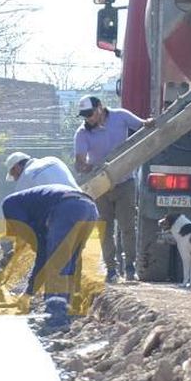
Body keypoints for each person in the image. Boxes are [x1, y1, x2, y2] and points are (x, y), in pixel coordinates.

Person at [0, 183, 101, 332]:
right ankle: (69, 308)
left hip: (67, 208)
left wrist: (27, 293)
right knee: (71, 260)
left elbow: (43, 256)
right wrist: (30, 290)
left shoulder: (10, 204)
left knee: (57, 264)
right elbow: (42, 253)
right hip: (89, 208)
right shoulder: (31, 206)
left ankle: (56, 317)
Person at [73, 94, 151, 283]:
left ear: (100, 107)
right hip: (100, 186)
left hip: (125, 181)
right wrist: (85, 166)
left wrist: (149, 122)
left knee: (127, 227)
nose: (88, 118)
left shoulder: (121, 116)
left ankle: (130, 267)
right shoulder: (82, 133)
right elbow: (80, 163)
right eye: (85, 115)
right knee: (105, 228)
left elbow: (142, 125)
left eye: (90, 113)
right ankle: (111, 269)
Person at [5, 151, 78, 192]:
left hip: (61, 211)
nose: (15, 179)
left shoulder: (24, 179)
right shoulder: (53, 159)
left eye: (13, 175)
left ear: (17, 168)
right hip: (84, 201)